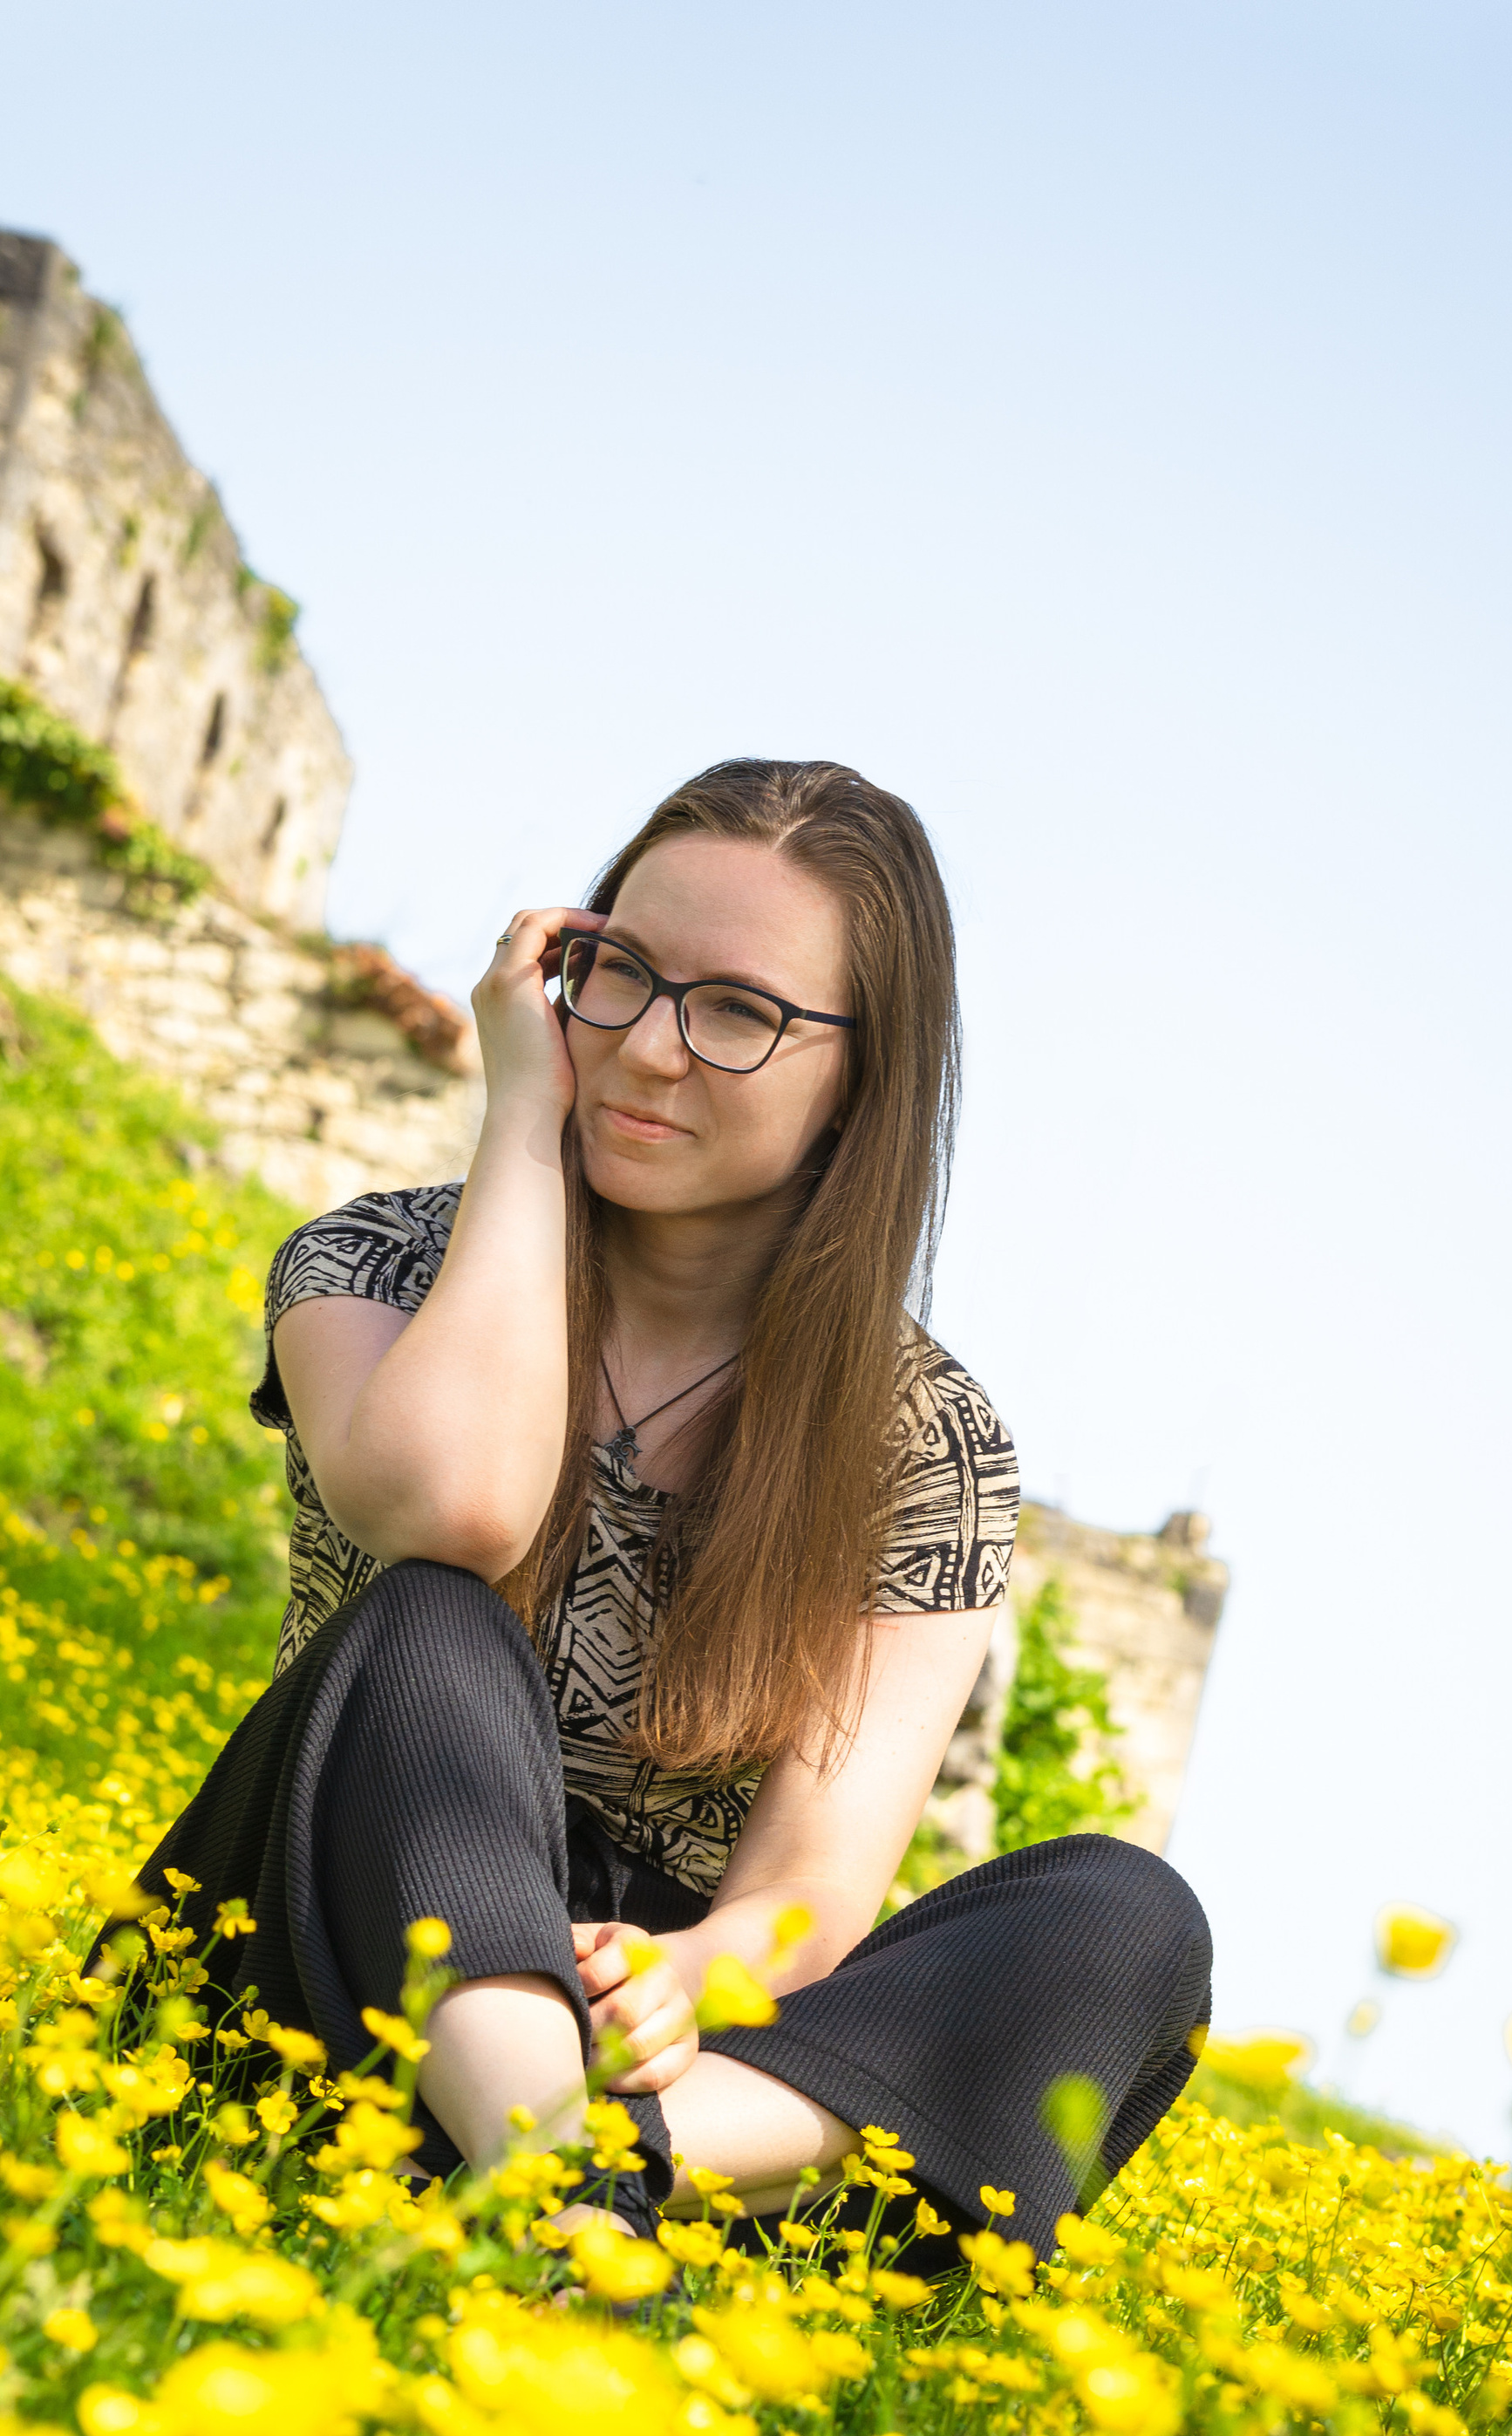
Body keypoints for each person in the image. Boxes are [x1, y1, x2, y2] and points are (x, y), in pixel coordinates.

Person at [126, 758, 1210, 2250]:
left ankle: (580, 2176)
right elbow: (456, 1508)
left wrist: (687, 1975)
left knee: (1126, 1919)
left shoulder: (932, 1447)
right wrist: (517, 1123)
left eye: (739, 1012)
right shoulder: (369, 1269)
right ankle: (563, 2184)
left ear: (862, 1075)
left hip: (667, 2046)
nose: (646, 1049)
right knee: (435, 1618)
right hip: (326, 1964)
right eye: (616, 975)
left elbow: (812, 1887)